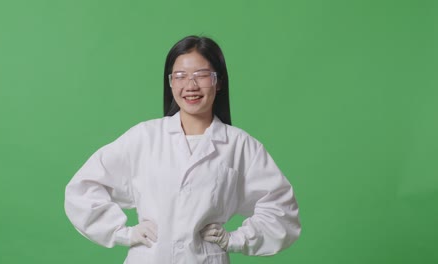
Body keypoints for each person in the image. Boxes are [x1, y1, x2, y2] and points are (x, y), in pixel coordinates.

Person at [64, 35, 301, 264]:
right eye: (180, 76)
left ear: (219, 82)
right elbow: (83, 188)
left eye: (202, 75)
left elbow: (282, 212)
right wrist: (124, 232)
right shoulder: (145, 137)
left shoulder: (240, 145)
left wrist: (235, 239)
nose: (191, 85)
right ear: (170, 82)